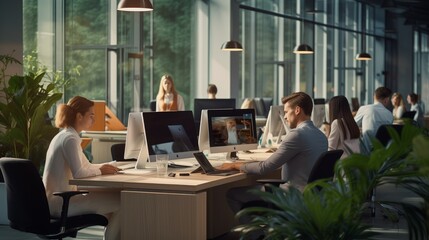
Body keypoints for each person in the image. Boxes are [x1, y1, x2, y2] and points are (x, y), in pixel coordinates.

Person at [218, 92, 328, 216]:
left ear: (297, 110)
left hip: (293, 196)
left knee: (232, 194)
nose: (285, 116)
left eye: (286, 112)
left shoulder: (296, 135)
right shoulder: (321, 136)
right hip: (313, 197)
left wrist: (235, 165)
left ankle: (257, 235)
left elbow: (264, 168)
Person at [43, 96, 121, 240]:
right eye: (91, 115)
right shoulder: (70, 139)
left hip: (60, 200)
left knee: (112, 210)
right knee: (122, 202)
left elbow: (86, 166)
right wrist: (101, 170)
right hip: (62, 203)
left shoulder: (66, 135)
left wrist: (110, 165)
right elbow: (79, 174)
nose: (94, 120)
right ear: (79, 116)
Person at [354, 87, 393, 153]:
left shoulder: (365, 108)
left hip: (366, 152)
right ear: (386, 100)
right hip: (383, 152)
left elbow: (352, 125)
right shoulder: (390, 114)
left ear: (374, 97)